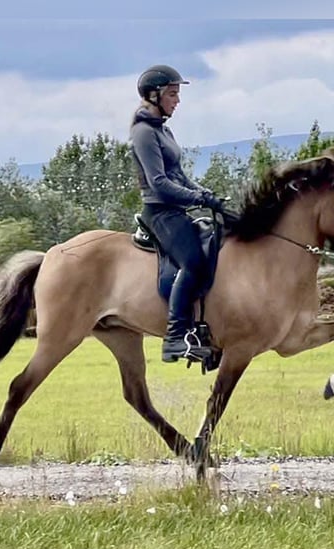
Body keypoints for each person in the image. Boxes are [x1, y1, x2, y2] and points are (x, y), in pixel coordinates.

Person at [130, 64, 226, 363]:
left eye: (177, 94)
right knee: (193, 261)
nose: (177, 100)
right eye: (173, 94)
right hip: (160, 212)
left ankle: (204, 329)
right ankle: (175, 338)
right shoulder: (144, 133)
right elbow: (160, 183)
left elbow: (180, 176)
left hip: (175, 209)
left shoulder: (163, 129)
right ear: (154, 95)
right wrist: (198, 198)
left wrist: (208, 195)